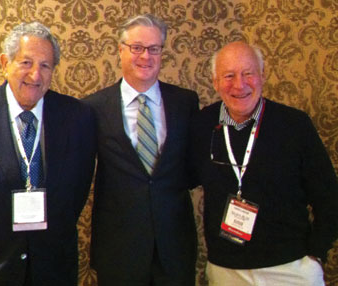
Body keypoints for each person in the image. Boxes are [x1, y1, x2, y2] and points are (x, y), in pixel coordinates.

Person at [0, 22, 96, 286]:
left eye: (45, 65)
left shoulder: (77, 116)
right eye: (26, 62)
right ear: (5, 63)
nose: (35, 75)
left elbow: (78, 190)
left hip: (53, 267)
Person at [190, 41, 338, 285]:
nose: (240, 84)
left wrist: (315, 255)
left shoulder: (295, 125)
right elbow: (179, 179)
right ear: (215, 82)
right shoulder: (201, 125)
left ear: (262, 76)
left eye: (248, 73)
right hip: (227, 271)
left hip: (290, 269)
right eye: (229, 75)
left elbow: (329, 197)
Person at [84, 13, 198, 286]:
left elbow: (194, 166)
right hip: (119, 248)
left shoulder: (185, 103)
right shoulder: (93, 108)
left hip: (174, 247)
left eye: (154, 49)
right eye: (137, 48)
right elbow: (80, 174)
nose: (145, 56)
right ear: (121, 50)